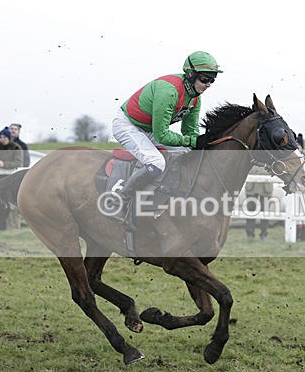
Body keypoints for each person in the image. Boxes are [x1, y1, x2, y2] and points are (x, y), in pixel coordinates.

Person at [107, 51, 221, 224]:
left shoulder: (195, 99)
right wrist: (192, 141)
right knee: (156, 162)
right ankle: (121, 200)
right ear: (191, 75)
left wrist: (199, 143)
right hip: (127, 125)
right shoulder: (169, 91)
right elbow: (162, 135)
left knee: (189, 151)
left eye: (212, 80)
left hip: (148, 129)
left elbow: (190, 132)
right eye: (205, 79)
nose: (208, 85)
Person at [244, 165, 273, 240]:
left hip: (266, 187)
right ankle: (250, 234)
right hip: (251, 186)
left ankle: (264, 234)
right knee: (250, 210)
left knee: (265, 211)